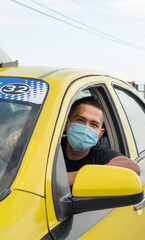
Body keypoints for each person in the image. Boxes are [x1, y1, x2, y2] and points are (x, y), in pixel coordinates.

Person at [61, 96, 141, 186]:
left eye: (93, 124)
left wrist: (69, 178)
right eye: (80, 120)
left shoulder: (100, 156)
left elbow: (133, 168)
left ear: (99, 134)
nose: (86, 128)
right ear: (65, 124)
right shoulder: (50, 148)